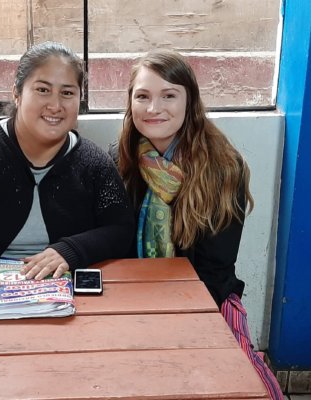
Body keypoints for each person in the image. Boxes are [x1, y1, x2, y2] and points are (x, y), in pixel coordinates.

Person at [111, 48, 283, 399]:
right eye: (142, 96)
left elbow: (216, 268)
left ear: (190, 101)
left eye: (169, 95)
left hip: (209, 298)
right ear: (130, 103)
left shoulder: (222, 167)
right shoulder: (120, 159)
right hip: (136, 296)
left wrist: (172, 329)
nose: (153, 107)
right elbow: (113, 244)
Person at [0, 41, 135, 303]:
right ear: (17, 93)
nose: (55, 105)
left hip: (63, 300)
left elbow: (121, 228)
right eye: (43, 90)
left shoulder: (93, 163)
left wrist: (72, 251)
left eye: (67, 93)